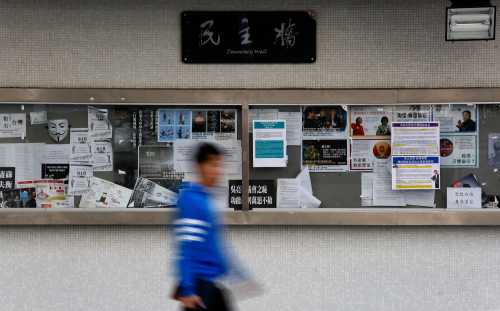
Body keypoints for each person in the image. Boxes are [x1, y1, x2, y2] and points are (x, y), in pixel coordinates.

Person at [172, 143, 234, 311]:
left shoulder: (206, 199)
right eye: (212, 165)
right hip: (199, 290)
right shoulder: (192, 201)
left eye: (219, 165)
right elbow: (186, 249)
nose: (217, 171)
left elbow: (214, 244)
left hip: (212, 285)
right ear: (200, 166)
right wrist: (188, 289)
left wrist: (236, 273)